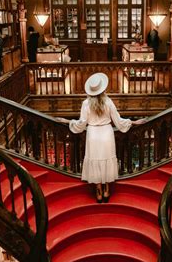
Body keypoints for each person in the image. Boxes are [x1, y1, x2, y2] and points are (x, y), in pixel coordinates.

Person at [56, 73, 146, 203]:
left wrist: (66, 121)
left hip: (92, 135)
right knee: (106, 160)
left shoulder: (86, 103)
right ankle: (106, 189)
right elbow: (118, 121)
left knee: (95, 161)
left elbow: (81, 124)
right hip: (106, 134)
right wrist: (133, 122)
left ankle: (98, 190)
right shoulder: (108, 102)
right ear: (103, 89)